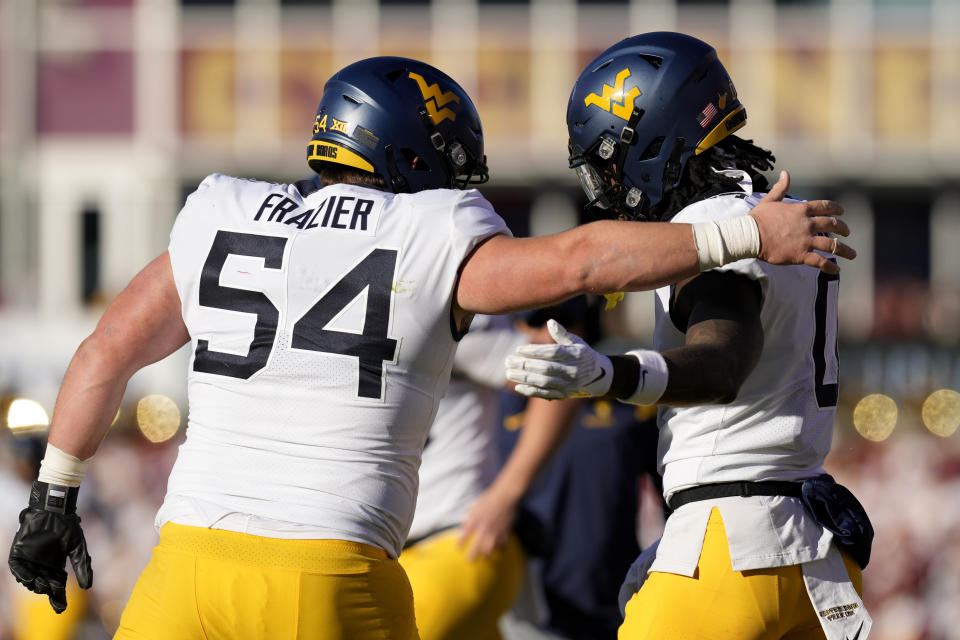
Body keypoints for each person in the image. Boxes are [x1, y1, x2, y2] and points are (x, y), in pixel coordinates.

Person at [7, 55, 853, 640]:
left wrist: (52, 500)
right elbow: (580, 259)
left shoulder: (221, 208)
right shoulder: (428, 227)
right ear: (412, 154)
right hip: (329, 572)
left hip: (184, 564)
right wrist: (745, 230)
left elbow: (103, 354)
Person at [506, 33, 873, 640]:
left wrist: (611, 374)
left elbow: (721, 362)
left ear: (651, 141)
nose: (608, 187)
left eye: (610, 163)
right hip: (813, 558)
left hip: (726, 552)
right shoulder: (781, 214)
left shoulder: (711, 225)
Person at [399, 313, 580, 640]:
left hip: (457, 539)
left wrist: (506, 494)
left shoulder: (425, 307)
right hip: (389, 553)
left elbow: (564, 368)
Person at [496, 300, 666, 640]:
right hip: (521, 611)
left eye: (562, 323)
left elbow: (674, 503)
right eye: (535, 322)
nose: (549, 335)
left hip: (616, 606)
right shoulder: (490, 398)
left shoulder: (631, 399)